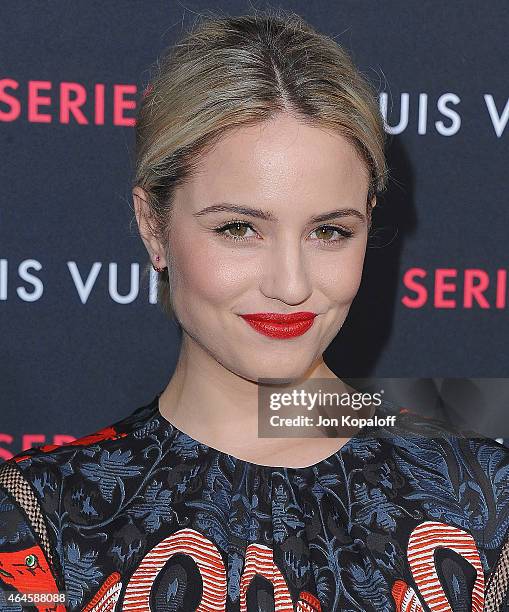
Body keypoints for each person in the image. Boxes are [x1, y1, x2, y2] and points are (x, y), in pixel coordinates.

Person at [1, 10, 509, 612]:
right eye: (239, 228)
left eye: (329, 232)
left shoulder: (483, 500)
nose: (290, 285)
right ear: (152, 225)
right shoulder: (42, 516)